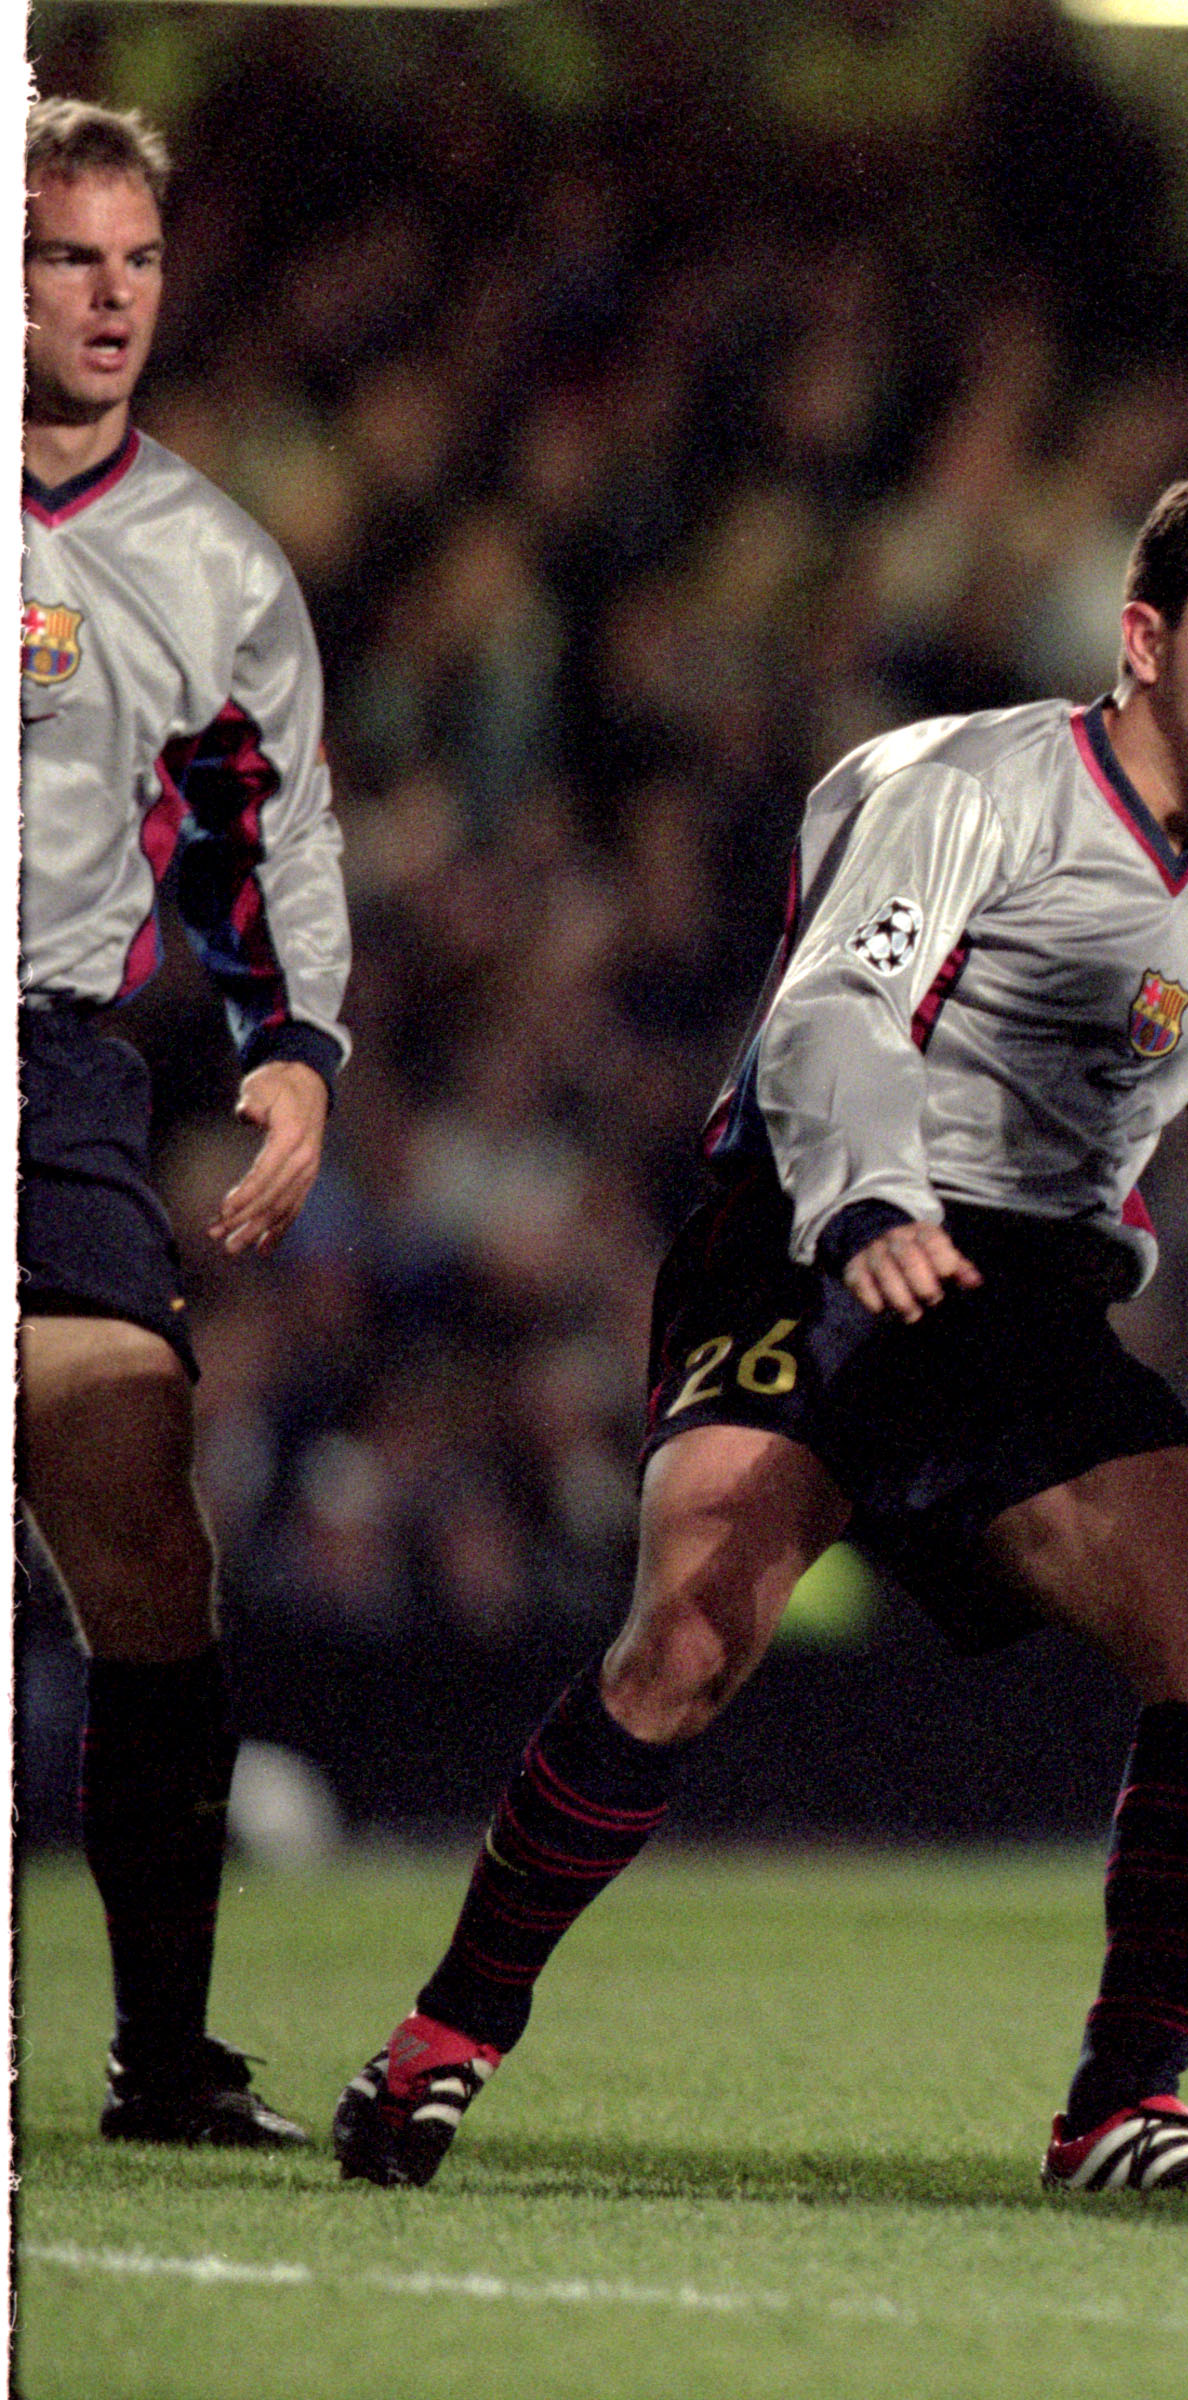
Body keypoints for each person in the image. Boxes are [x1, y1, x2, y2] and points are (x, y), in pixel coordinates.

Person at [332, 466, 1188, 2194]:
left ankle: (1122, 2108)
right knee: (691, 1635)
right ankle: (443, 2039)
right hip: (811, 1238)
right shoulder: (969, 787)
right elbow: (838, 1010)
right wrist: (868, 1199)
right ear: (1143, 637)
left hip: (1023, 1297)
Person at [20, 97, 350, 2150]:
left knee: (142, 1516)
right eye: (68, 255)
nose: (112, 294)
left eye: (137, 258)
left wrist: (294, 1044)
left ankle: (163, 2060)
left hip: (51, 1072)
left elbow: (266, 830)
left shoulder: (209, 564)